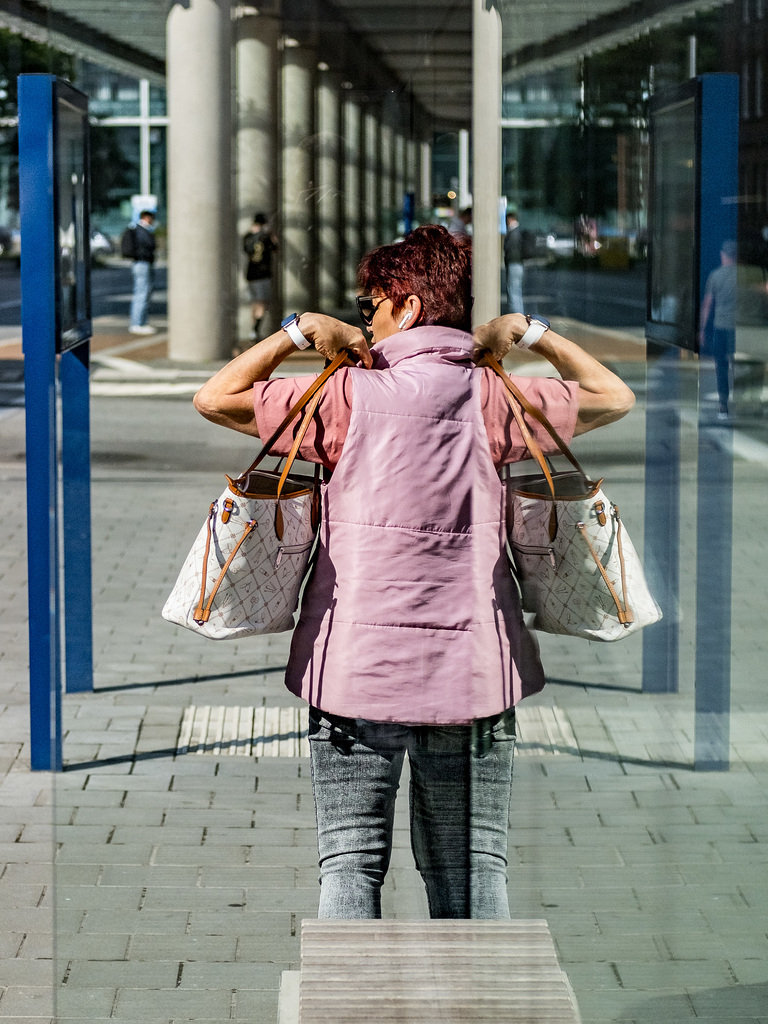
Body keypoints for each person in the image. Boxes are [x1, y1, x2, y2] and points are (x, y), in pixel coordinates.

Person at [193, 225, 634, 919]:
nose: (361, 321)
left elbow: (215, 398)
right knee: (473, 861)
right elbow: (613, 396)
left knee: (349, 857)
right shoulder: (495, 398)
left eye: (368, 307)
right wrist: (528, 331)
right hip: (474, 674)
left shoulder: (342, 398)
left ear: (406, 304)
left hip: (354, 671)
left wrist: (301, 331)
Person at [699, 240, 737, 420]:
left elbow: (707, 305)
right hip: (741, 328)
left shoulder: (715, 276)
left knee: (721, 367)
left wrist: (701, 330)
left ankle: (723, 406)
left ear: (723, 255)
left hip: (721, 327)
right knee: (741, 364)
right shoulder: (746, 276)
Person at [243, 212, 278, 342]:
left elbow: (246, 250)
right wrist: (272, 235)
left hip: (251, 274)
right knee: (263, 302)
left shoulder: (247, 236)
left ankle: (254, 331)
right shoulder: (266, 236)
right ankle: (255, 329)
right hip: (263, 274)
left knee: (255, 302)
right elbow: (275, 247)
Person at [127, 210, 157, 336]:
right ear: (146, 218)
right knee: (142, 293)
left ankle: (141, 322)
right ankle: (137, 323)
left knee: (144, 292)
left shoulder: (138, 229)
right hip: (142, 263)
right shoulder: (141, 230)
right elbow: (148, 245)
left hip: (141, 263)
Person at [504, 209, 525, 314]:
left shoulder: (514, 232)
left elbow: (510, 249)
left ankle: (516, 315)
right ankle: (518, 314)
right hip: (518, 264)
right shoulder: (519, 231)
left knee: (513, 292)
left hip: (514, 264)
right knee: (516, 291)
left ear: (509, 219)